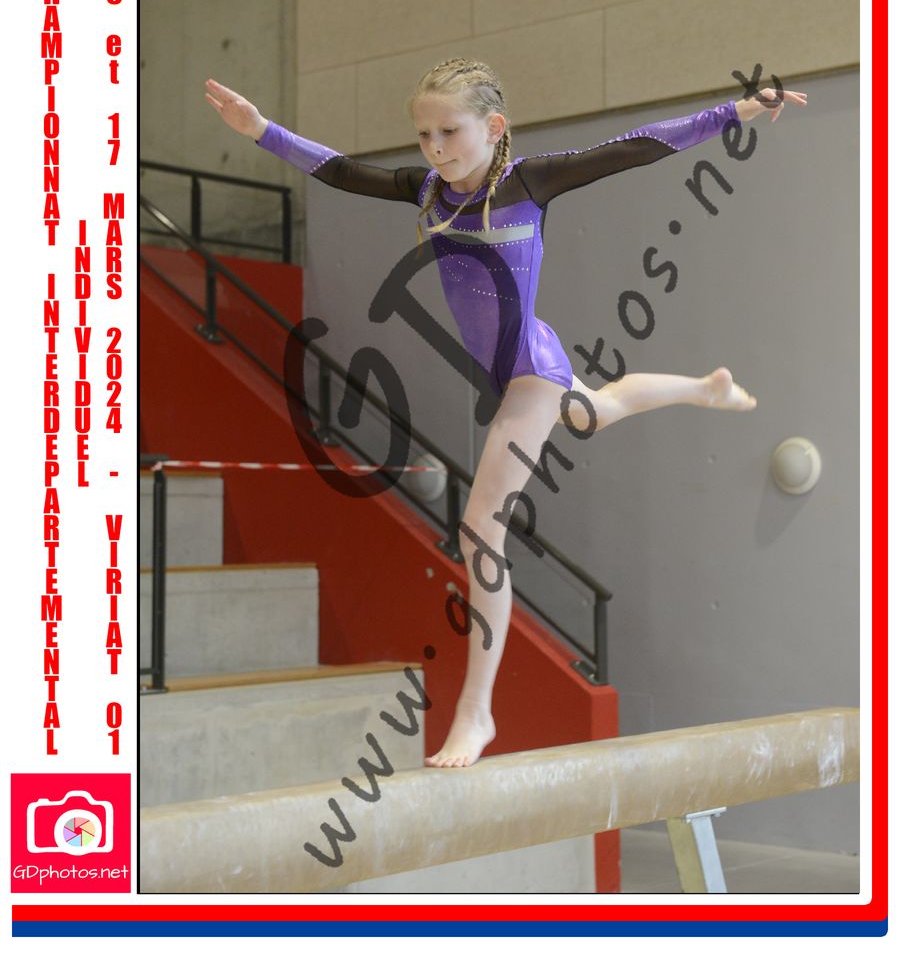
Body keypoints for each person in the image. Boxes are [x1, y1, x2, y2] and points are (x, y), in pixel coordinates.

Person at [205, 59, 807, 769]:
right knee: (596, 411)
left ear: (493, 127)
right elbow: (339, 171)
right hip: (514, 368)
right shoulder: (426, 190)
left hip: (529, 369)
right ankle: (704, 390)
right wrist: (262, 130)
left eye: (450, 131)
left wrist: (733, 113)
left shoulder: (529, 183)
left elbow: (637, 147)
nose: (435, 147)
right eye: (424, 134)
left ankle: (476, 710)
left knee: (479, 531)